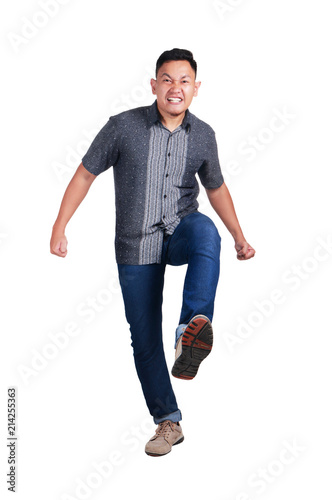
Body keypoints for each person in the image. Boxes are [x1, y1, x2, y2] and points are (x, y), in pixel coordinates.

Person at [50, 48, 255, 457]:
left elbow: (215, 188)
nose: (175, 87)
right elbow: (85, 173)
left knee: (206, 234)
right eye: (167, 79)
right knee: (143, 340)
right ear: (154, 85)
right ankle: (168, 423)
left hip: (181, 228)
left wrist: (239, 236)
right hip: (135, 243)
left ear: (196, 88)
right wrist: (60, 226)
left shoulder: (204, 135)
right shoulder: (123, 127)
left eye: (184, 80)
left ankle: (190, 332)